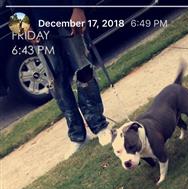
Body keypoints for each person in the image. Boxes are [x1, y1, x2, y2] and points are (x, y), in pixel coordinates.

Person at [7, 1, 112, 153]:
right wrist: (23, 28)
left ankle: (100, 125)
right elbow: (13, 6)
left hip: (68, 16)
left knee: (84, 72)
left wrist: (79, 8)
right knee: (57, 83)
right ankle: (77, 136)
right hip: (39, 28)